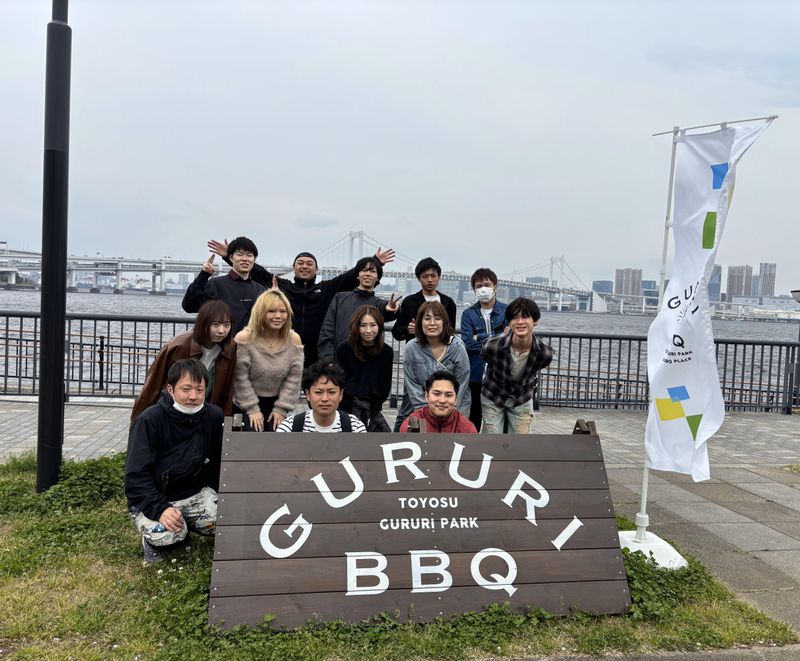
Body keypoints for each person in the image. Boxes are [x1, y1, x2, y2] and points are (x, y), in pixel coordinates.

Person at [207, 238, 396, 366]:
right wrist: (228, 256)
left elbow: (349, 276)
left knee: (318, 397)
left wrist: (375, 261)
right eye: (300, 263)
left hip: (318, 355)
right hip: (285, 351)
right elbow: (257, 272)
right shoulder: (282, 286)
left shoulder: (327, 289)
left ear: (317, 270)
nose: (305, 266)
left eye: (309, 264)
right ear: (294, 268)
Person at [125, 358, 223, 565]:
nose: (193, 396)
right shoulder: (149, 420)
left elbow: (218, 463)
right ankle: (152, 541)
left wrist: (214, 492)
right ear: (170, 389)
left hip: (196, 492)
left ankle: (188, 521)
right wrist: (160, 509)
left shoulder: (214, 416)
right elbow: (135, 477)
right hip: (158, 496)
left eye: (199, 390)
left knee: (229, 521)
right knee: (168, 536)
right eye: (186, 389)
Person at [131, 300, 235, 422]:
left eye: (227, 325)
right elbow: (153, 384)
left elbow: (228, 390)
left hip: (203, 412)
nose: (222, 331)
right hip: (171, 411)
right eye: (215, 324)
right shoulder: (179, 345)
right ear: (203, 324)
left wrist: (225, 422)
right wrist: (138, 421)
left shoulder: (230, 348)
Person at [233, 289, 304, 432]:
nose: (278, 316)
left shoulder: (294, 339)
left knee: (276, 437)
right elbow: (240, 378)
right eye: (271, 311)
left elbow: (294, 379)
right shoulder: (245, 338)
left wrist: (281, 409)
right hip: (245, 402)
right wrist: (252, 409)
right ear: (260, 312)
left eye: (283, 311)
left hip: (278, 402)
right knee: (251, 435)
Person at [481, 297, 553, 434]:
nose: (520, 322)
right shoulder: (492, 345)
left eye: (525, 316)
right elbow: (485, 357)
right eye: (514, 317)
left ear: (535, 320)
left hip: (521, 396)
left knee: (521, 441)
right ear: (509, 322)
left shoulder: (544, 353)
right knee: (491, 438)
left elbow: (538, 367)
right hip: (493, 393)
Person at [395, 300, 470, 431]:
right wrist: (426, 411)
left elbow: (462, 382)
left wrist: (449, 407)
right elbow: (412, 383)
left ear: (444, 322)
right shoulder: (411, 348)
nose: (432, 323)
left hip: (455, 407)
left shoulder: (457, 347)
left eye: (437, 318)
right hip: (422, 409)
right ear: (419, 322)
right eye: (427, 318)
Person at [317, 256, 400, 363]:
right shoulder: (339, 298)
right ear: (357, 275)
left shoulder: (379, 304)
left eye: (372, 271)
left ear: (378, 278)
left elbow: (388, 311)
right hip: (339, 362)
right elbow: (327, 332)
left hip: (368, 363)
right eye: (364, 270)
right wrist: (328, 361)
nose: (368, 274)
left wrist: (392, 309)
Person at [182, 236, 265, 332]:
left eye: (249, 255)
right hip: (223, 341)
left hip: (253, 341)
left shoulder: (260, 290)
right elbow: (189, 306)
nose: (245, 259)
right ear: (231, 257)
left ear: (254, 259)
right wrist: (203, 275)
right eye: (240, 254)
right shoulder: (215, 284)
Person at [460, 268, 508, 430]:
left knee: (499, 417)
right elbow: (467, 343)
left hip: (501, 375)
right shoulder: (468, 314)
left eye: (487, 285)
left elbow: (509, 342)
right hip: (476, 374)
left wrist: (478, 337)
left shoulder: (507, 311)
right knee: (474, 416)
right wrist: (498, 337)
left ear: (495, 286)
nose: (483, 289)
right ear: (474, 289)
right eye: (479, 286)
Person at [334, 305, 394, 431]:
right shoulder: (343, 349)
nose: (368, 330)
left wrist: (363, 397)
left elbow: (384, 387)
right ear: (356, 327)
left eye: (373, 325)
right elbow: (339, 382)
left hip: (372, 408)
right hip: (345, 406)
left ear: (379, 326)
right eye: (363, 325)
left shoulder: (386, 352)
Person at [277, 361, 366, 432]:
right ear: (308, 394)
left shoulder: (355, 428)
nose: (325, 399)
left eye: (331, 392)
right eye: (318, 392)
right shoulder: (289, 428)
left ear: (341, 394)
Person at [391, 257, 457, 343]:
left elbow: (451, 332)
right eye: (425, 276)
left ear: (439, 277)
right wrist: (408, 329)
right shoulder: (409, 302)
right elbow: (396, 332)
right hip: (416, 350)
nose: (429, 280)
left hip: (441, 349)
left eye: (433, 276)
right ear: (418, 278)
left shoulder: (449, 302)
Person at [400, 370, 478, 433]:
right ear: (426, 396)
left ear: (456, 399)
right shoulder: (410, 425)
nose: (442, 400)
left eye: (448, 395)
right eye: (437, 394)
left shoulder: (467, 429)